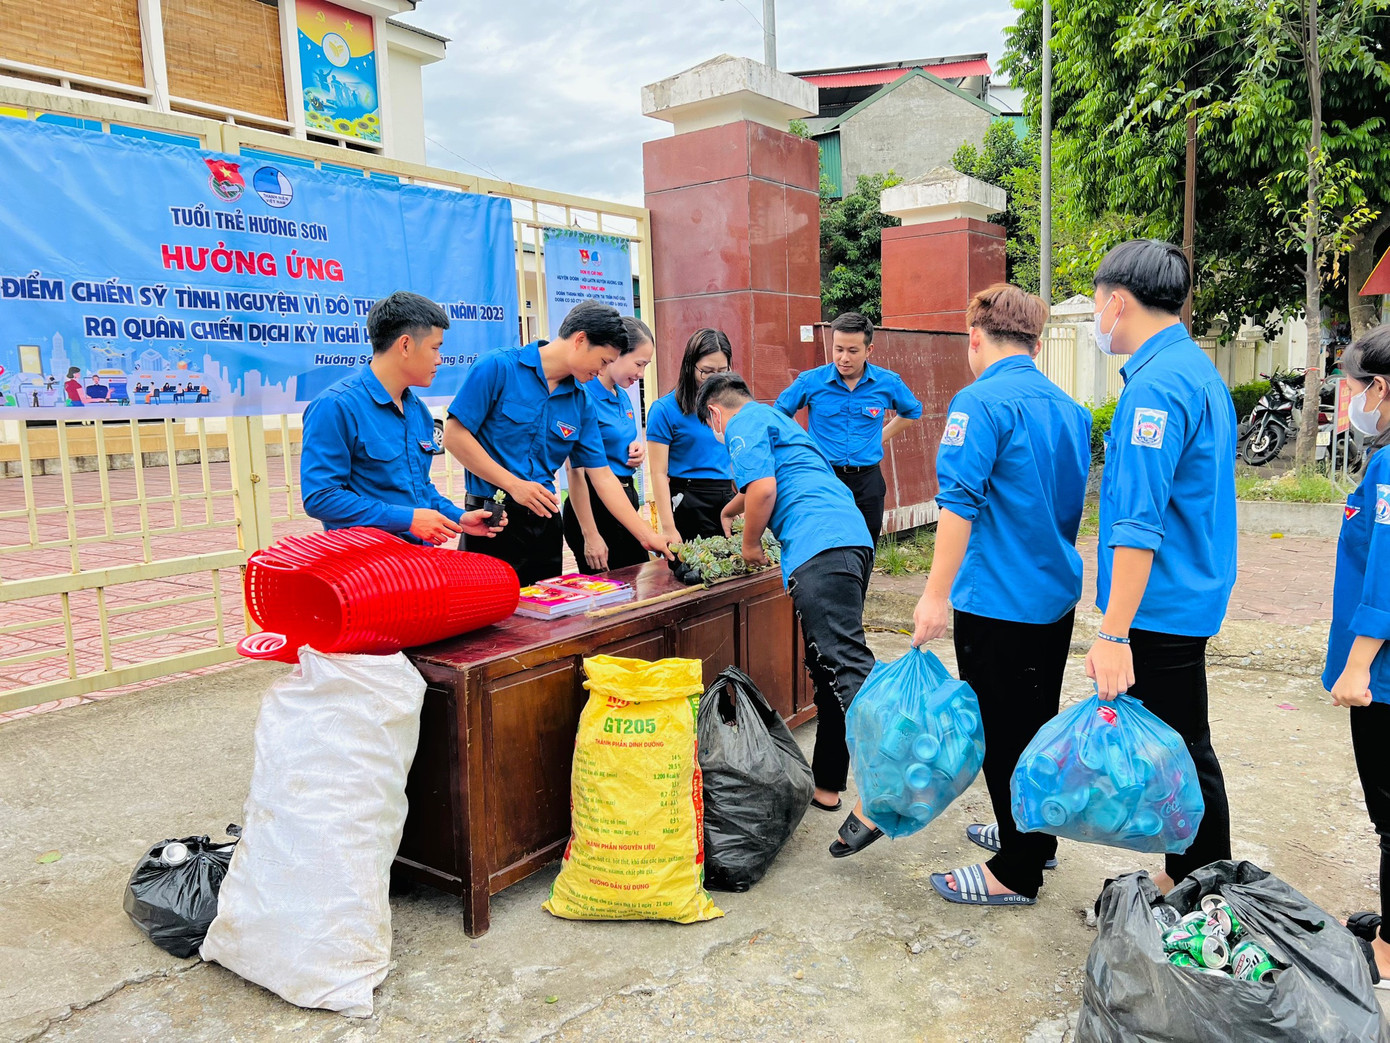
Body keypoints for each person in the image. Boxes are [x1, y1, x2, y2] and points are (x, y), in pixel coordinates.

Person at [897, 284, 1090, 904]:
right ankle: (1034, 835)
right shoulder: (1070, 407)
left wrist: (933, 594)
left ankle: (1017, 870)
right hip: (1053, 594)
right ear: (1036, 343)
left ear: (975, 339)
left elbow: (956, 505)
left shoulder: (978, 403)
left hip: (997, 600)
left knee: (1004, 733)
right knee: (1034, 723)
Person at [1084, 239, 1236, 893]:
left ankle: (1203, 892)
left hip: (1161, 604)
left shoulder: (1156, 388)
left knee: (1183, 751)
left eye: (1096, 303)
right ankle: (1187, 878)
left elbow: (1140, 525)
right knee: (1180, 745)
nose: (1097, 317)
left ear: (1118, 301)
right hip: (1186, 592)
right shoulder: (1195, 370)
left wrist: (1114, 631)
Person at [696, 373, 877, 835]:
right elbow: (769, 480)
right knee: (828, 667)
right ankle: (828, 784)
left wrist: (750, 543)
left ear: (715, 414)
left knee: (847, 667)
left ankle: (888, 791)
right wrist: (729, 511)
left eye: (713, 428)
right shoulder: (774, 418)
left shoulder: (742, 422)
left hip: (819, 547)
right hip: (849, 539)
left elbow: (763, 490)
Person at [444, 300, 672, 586]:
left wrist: (647, 535)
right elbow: (454, 435)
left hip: (545, 521)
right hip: (492, 520)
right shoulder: (499, 367)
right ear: (580, 340)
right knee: (487, 617)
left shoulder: (581, 401)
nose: (603, 371)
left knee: (547, 617)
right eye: (602, 361)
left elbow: (601, 476)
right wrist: (514, 485)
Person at [300, 290, 504, 547]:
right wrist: (406, 519)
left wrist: (460, 518)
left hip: (416, 564)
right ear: (405, 345)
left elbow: (420, 489)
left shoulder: (417, 410)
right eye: (435, 348)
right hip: (366, 568)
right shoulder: (335, 406)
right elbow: (321, 497)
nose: (439, 360)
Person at [1323, 327, 1390, 981]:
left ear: (1383, 389)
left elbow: (1388, 572)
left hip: (1386, 673)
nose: (1348, 395)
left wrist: (1359, 664)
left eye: (1354, 382)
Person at [774, 312, 922, 542]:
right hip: (824, 476)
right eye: (838, 349)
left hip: (868, 480)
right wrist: (804, 443)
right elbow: (781, 412)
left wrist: (879, 438)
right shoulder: (811, 381)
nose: (844, 358)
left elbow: (911, 411)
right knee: (823, 541)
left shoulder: (887, 382)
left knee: (866, 543)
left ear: (868, 350)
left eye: (853, 351)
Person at [562, 316, 655, 572]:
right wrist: (591, 534)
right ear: (616, 353)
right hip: (594, 506)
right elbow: (576, 469)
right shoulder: (584, 394)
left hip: (624, 499)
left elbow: (617, 439)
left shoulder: (622, 395)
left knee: (637, 583)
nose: (641, 374)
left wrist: (637, 450)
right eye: (638, 364)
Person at [647, 329, 735, 543]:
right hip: (688, 499)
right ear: (689, 366)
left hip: (726, 497)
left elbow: (734, 459)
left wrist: (742, 503)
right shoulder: (664, 409)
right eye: (706, 371)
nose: (714, 379)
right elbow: (658, 473)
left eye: (722, 371)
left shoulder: (730, 406)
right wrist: (668, 528)